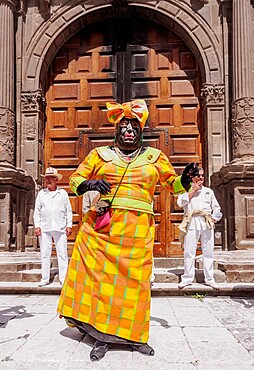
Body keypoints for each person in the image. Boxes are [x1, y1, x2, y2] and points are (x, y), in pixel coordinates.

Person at [57, 99, 199, 361]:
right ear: (116, 130)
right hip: (101, 231)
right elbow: (76, 179)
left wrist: (186, 179)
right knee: (101, 283)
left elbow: (173, 185)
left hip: (137, 233)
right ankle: (101, 335)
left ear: (141, 130)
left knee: (135, 284)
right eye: (124, 126)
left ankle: (133, 335)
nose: (129, 130)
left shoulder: (155, 157)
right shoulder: (99, 155)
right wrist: (90, 184)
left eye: (134, 125)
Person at [177, 167, 222, 290]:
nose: (201, 178)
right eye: (198, 175)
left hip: (206, 223)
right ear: (192, 177)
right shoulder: (186, 191)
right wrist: (192, 191)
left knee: (208, 251)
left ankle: (209, 278)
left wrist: (214, 218)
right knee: (189, 251)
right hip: (191, 222)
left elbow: (216, 208)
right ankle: (187, 278)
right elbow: (180, 203)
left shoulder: (208, 191)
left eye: (202, 175)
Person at [34, 167, 72, 287]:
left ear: (56, 180)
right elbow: (37, 211)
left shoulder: (63, 193)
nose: (47, 180)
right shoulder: (41, 194)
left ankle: (63, 278)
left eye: (50, 178)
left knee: (62, 254)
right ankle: (45, 278)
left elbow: (68, 211)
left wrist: (69, 225)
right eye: (46, 178)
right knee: (45, 253)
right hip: (45, 227)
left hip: (60, 227)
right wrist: (37, 225)